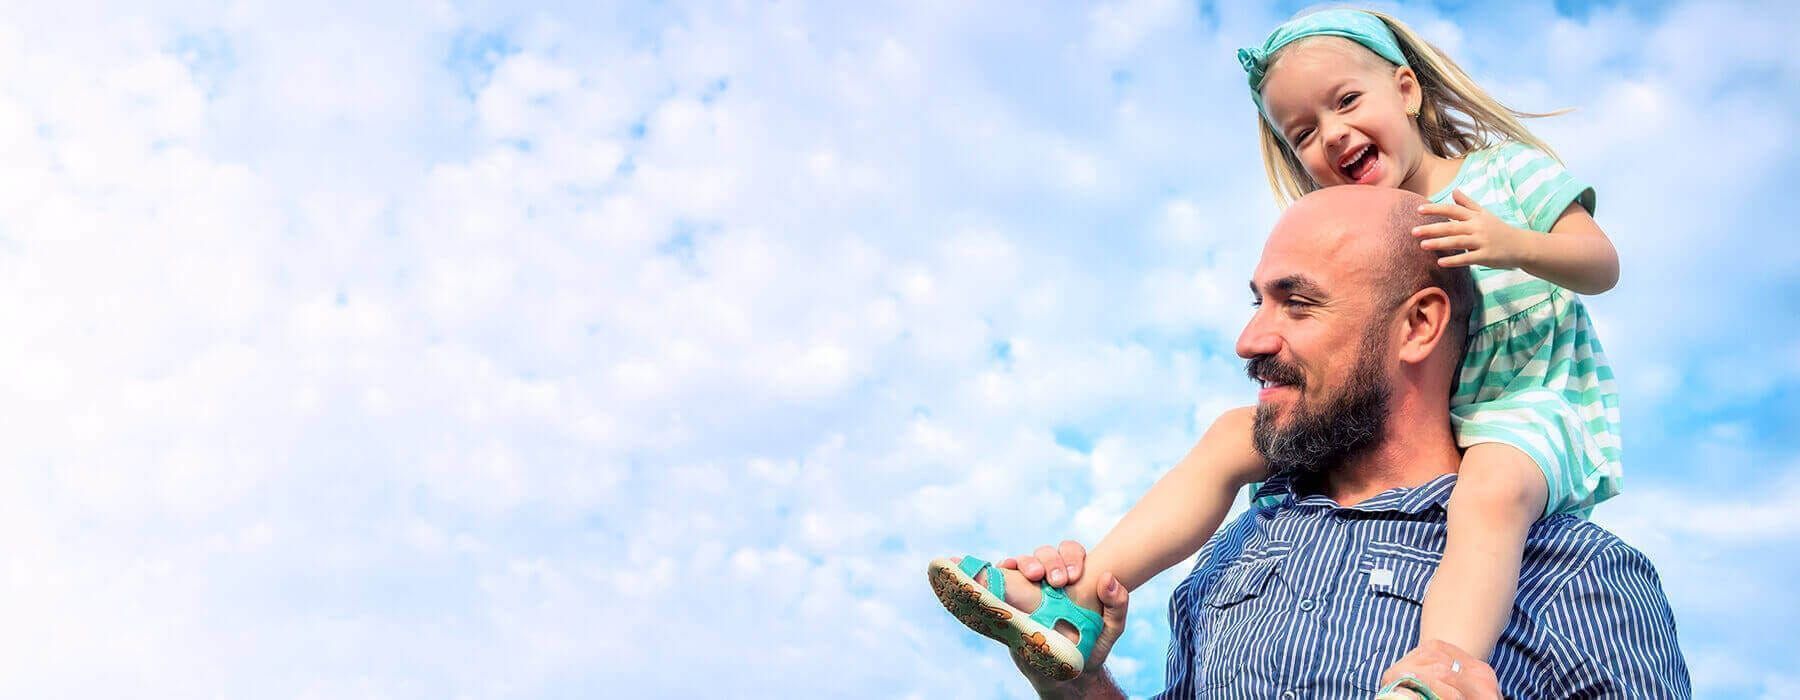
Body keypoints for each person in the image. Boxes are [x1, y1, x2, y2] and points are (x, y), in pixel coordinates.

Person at [928, 8, 1627, 688]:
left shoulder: (1503, 178)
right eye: (1303, 132)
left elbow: (1600, 263)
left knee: (1492, 492)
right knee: (1234, 434)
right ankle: (1077, 603)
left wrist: (1515, 244)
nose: (1333, 134)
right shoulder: (1241, 557)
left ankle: (1444, 665)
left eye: (1348, 99)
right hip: (1426, 417)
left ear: (1406, 89)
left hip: (1521, 407)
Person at [1010, 185, 1687, 698]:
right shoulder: (1233, 553)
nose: (1249, 341)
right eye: (1258, 302)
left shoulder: (1575, 575)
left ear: (1419, 326)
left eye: (1297, 303)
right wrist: (1074, 684)